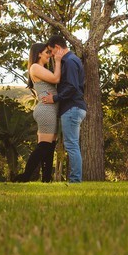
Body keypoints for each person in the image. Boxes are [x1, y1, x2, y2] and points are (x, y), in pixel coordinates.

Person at [41, 35, 87, 183]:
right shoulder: (71, 60)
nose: (51, 54)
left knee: (71, 145)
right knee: (72, 144)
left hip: (72, 107)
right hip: (74, 107)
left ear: (57, 47)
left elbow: (72, 87)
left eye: (51, 51)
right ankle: (75, 179)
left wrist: (54, 98)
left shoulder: (70, 61)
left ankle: (75, 180)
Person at [14, 42, 58, 182]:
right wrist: (58, 61)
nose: (49, 55)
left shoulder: (42, 69)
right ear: (39, 53)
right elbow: (56, 78)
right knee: (44, 146)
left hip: (51, 110)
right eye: (47, 52)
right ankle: (25, 176)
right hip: (46, 110)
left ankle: (46, 180)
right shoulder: (35, 67)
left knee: (50, 147)